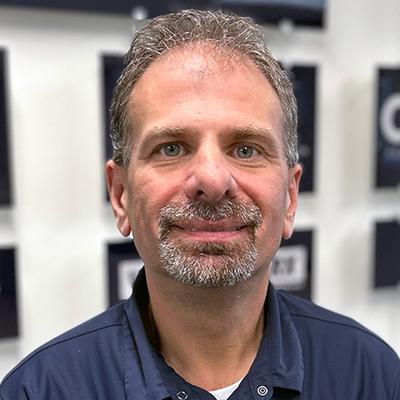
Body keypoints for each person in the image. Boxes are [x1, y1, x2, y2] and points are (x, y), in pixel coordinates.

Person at [1, 9, 399, 400]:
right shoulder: (40, 391)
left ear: (290, 197)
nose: (211, 180)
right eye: (171, 148)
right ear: (120, 195)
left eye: (245, 149)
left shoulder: (371, 376)